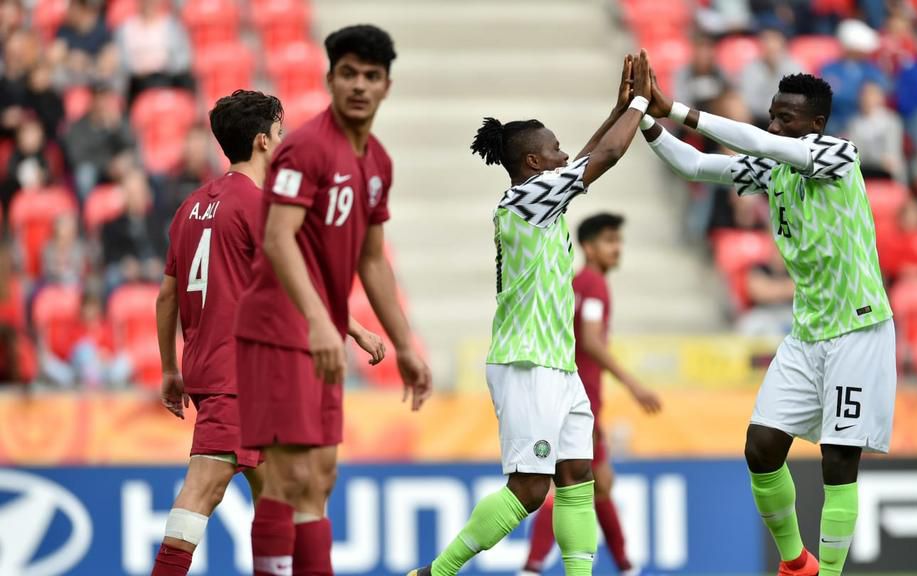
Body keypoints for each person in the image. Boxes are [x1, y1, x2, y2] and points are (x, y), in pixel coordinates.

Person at [640, 72, 896, 576]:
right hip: (806, 333)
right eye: (773, 114)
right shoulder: (772, 169)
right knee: (760, 447)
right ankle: (796, 562)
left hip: (858, 329)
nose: (775, 125)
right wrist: (642, 117)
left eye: (787, 118)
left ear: (816, 125)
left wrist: (678, 109)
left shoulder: (838, 157)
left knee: (838, 461)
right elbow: (693, 164)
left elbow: (754, 140)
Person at [411, 51, 652, 576]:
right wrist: (641, 103)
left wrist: (616, 112)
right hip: (528, 363)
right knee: (529, 490)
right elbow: (604, 158)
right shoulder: (528, 200)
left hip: (556, 365)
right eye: (555, 149)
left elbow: (591, 152)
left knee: (576, 477)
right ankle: (437, 572)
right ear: (534, 164)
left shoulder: (539, 196)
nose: (565, 154)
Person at [152, 89, 389, 575]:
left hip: (220, 370)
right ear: (263, 142)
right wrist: (359, 331)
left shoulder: (191, 206)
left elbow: (166, 297)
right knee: (202, 490)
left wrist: (169, 370)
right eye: (281, 132)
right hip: (238, 373)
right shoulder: (260, 207)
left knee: (281, 500)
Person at [233, 25, 431, 576]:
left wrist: (405, 345)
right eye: (349, 74)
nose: (360, 86)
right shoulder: (306, 148)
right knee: (287, 475)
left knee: (321, 478)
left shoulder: (377, 163)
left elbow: (372, 260)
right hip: (277, 326)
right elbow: (277, 238)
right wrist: (322, 321)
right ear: (330, 79)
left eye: (371, 76)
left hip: (316, 331)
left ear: (387, 85)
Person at [521, 213, 662, 576]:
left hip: (564, 394)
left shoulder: (576, 284)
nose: (617, 249)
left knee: (591, 482)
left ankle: (621, 566)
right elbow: (590, 339)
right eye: (609, 241)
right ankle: (537, 567)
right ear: (588, 246)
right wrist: (633, 384)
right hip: (581, 400)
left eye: (619, 241)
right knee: (581, 483)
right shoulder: (595, 284)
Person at [820, 19, 888, 135]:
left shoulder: (871, 69)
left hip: (865, 122)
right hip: (836, 123)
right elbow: (829, 97)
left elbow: (881, 92)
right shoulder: (830, 69)